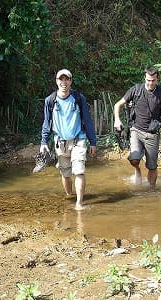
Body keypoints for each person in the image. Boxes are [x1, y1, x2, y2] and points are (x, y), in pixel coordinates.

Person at [40, 69, 97, 210]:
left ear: (71, 81)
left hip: (79, 139)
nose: (64, 82)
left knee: (79, 171)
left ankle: (79, 203)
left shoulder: (78, 98)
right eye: (61, 79)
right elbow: (47, 123)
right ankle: (69, 196)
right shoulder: (50, 100)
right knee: (65, 174)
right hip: (60, 142)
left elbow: (88, 121)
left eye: (67, 79)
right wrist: (43, 142)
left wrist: (93, 142)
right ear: (57, 81)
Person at [113, 66, 161, 189]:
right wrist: (117, 119)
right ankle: (137, 170)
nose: (150, 83)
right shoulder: (136, 90)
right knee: (134, 159)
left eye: (153, 80)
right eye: (148, 80)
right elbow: (118, 105)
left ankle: (151, 189)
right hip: (136, 131)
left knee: (152, 166)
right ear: (145, 78)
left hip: (152, 134)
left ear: (157, 79)